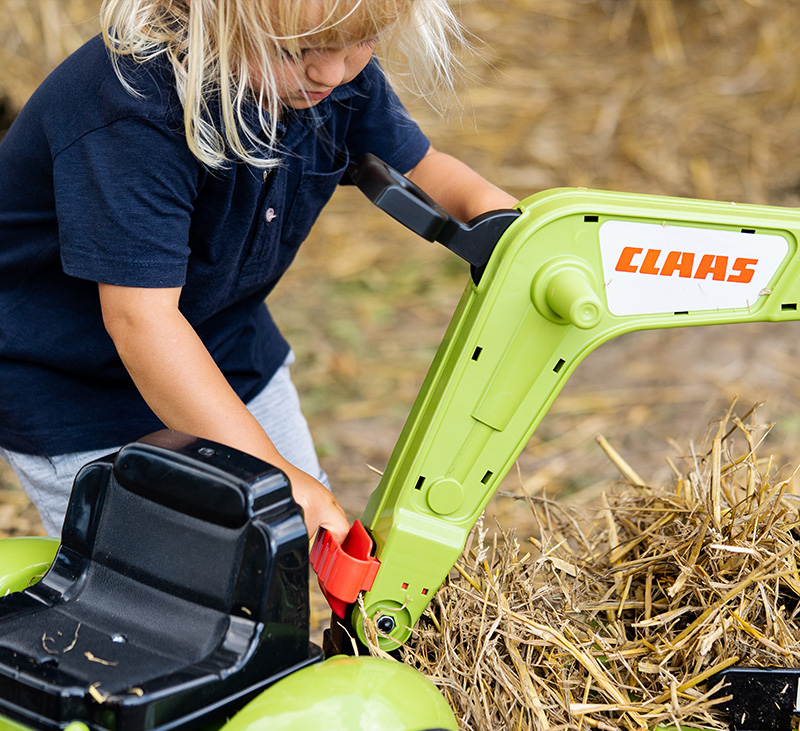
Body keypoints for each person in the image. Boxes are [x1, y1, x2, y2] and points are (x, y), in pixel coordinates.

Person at [0, 0, 517, 542]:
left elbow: (422, 167)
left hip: (225, 348)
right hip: (73, 392)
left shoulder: (324, 69)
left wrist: (516, 233)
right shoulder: (131, 112)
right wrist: (277, 473)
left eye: (360, 44)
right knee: (160, 594)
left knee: (289, 544)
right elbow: (142, 322)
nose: (333, 73)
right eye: (300, 50)